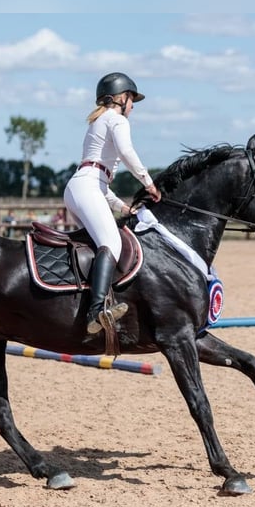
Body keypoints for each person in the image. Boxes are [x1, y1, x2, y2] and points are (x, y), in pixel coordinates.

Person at [63, 72, 161, 335]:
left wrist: (122, 208)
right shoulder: (117, 120)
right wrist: (147, 182)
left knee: (96, 244)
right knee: (112, 243)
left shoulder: (98, 122)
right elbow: (127, 153)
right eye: (132, 100)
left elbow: (99, 181)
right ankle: (95, 312)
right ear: (122, 98)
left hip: (80, 186)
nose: (132, 107)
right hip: (87, 187)